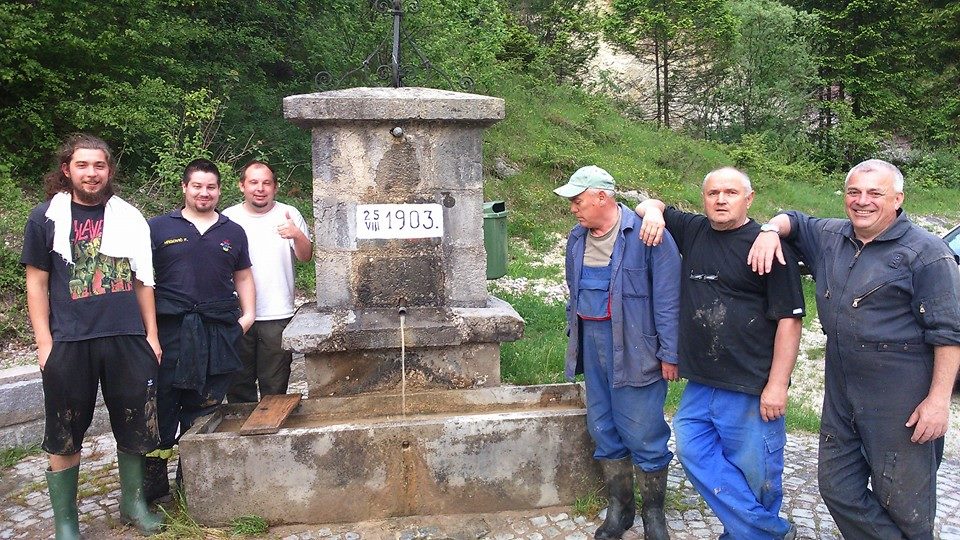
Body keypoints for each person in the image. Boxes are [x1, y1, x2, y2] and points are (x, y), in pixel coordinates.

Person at [748, 159, 960, 539]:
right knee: (837, 487)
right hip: (842, 389)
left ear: (898, 199)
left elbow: (949, 334)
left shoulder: (928, 253)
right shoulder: (831, 236)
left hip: (902, 396)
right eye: (854, 192)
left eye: (875, 193)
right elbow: (793, 220)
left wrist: (938, 401)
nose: (863, 201)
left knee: (905, 504)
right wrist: (768, 230)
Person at [635, 167, 803, 540]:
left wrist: (777, 385)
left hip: (751, 383)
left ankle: (748, 533)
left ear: (749, 198)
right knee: (692, 450)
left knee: (757, 473)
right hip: (702, 381)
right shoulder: (693, 229)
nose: (721, 200)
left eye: (731, 192)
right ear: (704, 198)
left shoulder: (769, 247)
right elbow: (649, 204)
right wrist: (653, 212)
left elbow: (790, 322)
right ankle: (768, 533)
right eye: (713, 193)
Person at [21, 134, 163, 538]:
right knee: (64, 431)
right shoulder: (45, 218)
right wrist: (44, 343)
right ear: (66, 170)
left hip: (127, 336)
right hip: (70, 340)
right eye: (82, 165)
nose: (91, 173)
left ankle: (133, 504)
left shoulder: (128, 217)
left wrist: (151, 334)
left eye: (99, 165)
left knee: (135, 423)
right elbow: (36, 284)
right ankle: (67, 523)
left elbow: (143, 279)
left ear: (109, 170)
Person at [555, 165, 680, 540]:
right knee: (603, 427)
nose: (573, 209)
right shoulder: (576, 239)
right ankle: (620, 509)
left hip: (637, 348)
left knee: (644, 431)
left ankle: (654, 514)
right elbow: (573, 292)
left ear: (602, 197)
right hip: (593, 346)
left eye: (578, 201)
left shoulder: (648, 234)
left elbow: (669, 299)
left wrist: (670, 353)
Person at [144, 158, 255, 502]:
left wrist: (248, 315)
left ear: (219, 190)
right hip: (170, 330)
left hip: (216, 330)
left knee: (205, 406)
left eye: (211, 187)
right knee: (162, 406)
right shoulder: (157, 227)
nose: (204, 193)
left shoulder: (233, 231)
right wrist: (148, 332)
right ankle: (153, 489)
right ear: (184, 187)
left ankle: (192, 485)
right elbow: (141, 280)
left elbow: (243, 276)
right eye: (197, 186)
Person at [222, 161, 311, 404]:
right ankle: (241, 426)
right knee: (238, 385)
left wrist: (297, 235)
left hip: (278, 312)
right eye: (253, 182)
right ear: (242, 186)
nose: (260, 188)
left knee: (275, 386)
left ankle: (272, 426)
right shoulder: (228, 218)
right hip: (237, 313)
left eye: (266, 183)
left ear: (275, 187)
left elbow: (305, 256)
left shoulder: (289, 214)